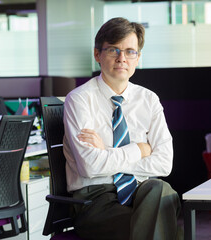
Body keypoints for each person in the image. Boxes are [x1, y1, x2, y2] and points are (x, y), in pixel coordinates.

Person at [63, 17, 183, 240]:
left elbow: (165, 164)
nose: (122, 58)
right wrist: (140, 148)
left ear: (138, 58)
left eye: (130, 51)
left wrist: (106, 153)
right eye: (113, 50)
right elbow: (89, 166)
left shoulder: (149, 99)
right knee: (166, 228)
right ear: (97, 54)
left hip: (140, 192)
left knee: (161, 190)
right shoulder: (79, 100)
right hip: (95, 200)